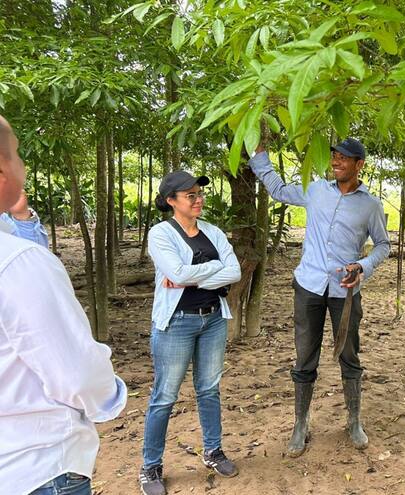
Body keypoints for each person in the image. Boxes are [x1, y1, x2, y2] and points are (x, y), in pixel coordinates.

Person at [0, 115, 127, 495]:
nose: (23, 164)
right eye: (18, 154)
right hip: (36, 465)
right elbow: (77, 373)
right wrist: (109, 397)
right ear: (3, 173)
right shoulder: (19, 262)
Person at [248, 137, 390, 457]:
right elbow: (278, 189)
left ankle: (353, 421)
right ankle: (301, 424)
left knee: (349, 354)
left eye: (344, 158)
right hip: (309, 285)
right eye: (334, 156)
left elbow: (383, 245)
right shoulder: (315, 190)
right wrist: (260, 156)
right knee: (304, 356)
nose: (336, 161)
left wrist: (363, 266)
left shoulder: (370, 205)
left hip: (345, 291)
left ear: (359, 165)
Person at [139, 171, 242, 495]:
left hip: (213, 319)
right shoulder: (160, 234)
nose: (199, 200)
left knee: (209, 389)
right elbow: (177, 272)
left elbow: (235, 271)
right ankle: (151, 466)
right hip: (177, 323)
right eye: (190, 196)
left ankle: (213, 451)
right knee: (164, 396)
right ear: (171, 200)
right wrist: (212, 269)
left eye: (199, 194)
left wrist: (190, 278)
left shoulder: (212, 231)